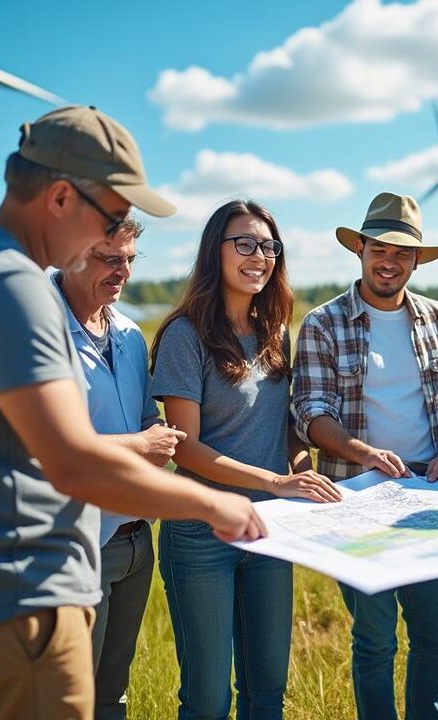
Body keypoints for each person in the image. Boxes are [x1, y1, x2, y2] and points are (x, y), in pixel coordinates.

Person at [0, 105, 264, 720]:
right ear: (61, 197)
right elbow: (68, 460)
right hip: (16, 601)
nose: (112, 244)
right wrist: (216, 503)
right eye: (111, 219)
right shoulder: (14, 286)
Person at [151, 199, 340, 719]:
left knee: (266, 693)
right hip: (201, 533)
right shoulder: (184, 336)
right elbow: (182, 446)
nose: (259, 255)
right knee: (209, 701)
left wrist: (300, 471)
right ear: (215, 251)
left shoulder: (277, 333)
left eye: (269, 246)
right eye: (245, 243)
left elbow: (283, 428)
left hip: (268, 530)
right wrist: (276, 481)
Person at [292, 192, 438, 720]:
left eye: (402, 253)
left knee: (436, 635)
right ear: (361, 251)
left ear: (416, 260)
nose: (389, 261)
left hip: (428, 491)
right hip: (355, 494)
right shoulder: (323, 324)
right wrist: (365, 453)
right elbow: (311, 412)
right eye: (379, 249)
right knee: (375, 638)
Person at [54, 214, 184, 720]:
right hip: (74, 542)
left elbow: (143, 415)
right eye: (111, 259)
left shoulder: (129, 334)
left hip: (134, 541)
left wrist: (164, 434)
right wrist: (141, 443)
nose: (123, 272)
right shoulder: (34, 330)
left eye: (130, 260)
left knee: (112, 693)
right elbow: (48, 446)